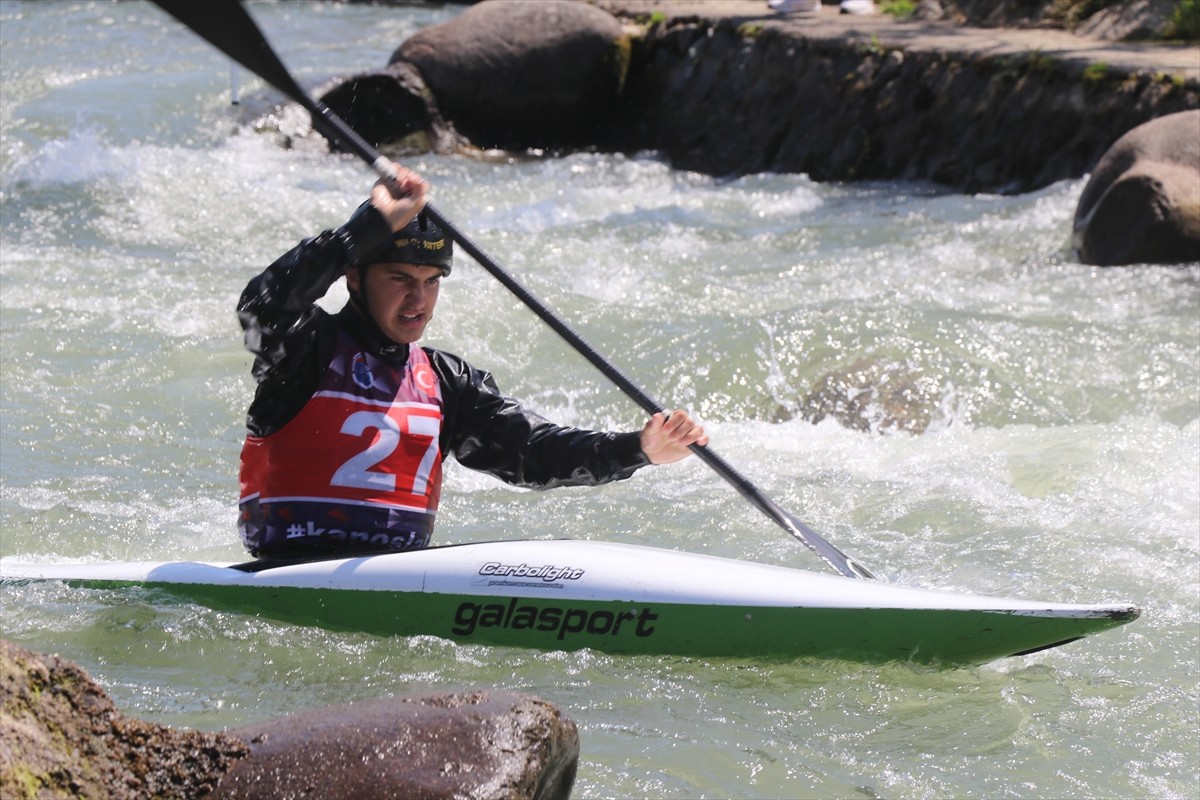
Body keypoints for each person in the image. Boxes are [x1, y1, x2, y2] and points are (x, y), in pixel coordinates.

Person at [236, 165, 708, 559]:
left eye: (431, 281)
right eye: (400, 278)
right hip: (286, 567)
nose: (417, 299)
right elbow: (264, 304)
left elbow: (533, 453)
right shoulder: (305, 350)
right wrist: (368, 226)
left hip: (389, 583)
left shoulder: (447, 383)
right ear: (355, 280)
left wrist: (640, 449)